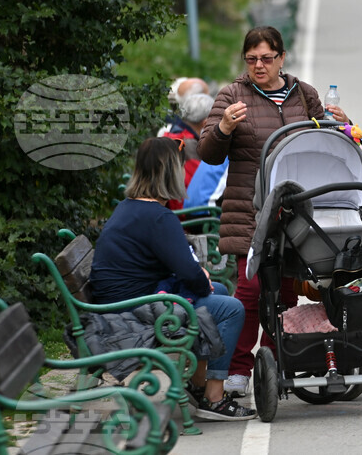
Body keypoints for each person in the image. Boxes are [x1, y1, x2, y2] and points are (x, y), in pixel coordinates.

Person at [197, 26, 349, 397]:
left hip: (297, 212)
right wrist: (223, 127)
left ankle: (275, 360)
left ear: (281, 58)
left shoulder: (304, 94)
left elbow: (327, 141)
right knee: (250, 291)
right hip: (251, 212)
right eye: (251, 60)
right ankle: (237, 370)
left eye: (266, 58)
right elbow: (207, 152)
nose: (259, 66)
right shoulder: (233, 95)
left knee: (284, 292)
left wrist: (341, 122)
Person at [89, 137, 255, 421]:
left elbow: (181, 267)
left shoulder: (131, 207)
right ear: (168, 173)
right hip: (131, 313)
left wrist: (199, 278)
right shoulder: (157, 216)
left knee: (219, 288)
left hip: (119, 303)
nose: (183, 173)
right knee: (231, 308)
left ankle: (200, 382)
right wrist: (198, 276)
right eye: (180, 167)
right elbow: (191, 273)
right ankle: (214, 398)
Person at [165, 93, 215, 211]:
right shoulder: (189, 144)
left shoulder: (169, 135)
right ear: (205, 123)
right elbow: (199, 185)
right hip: (185, 212)